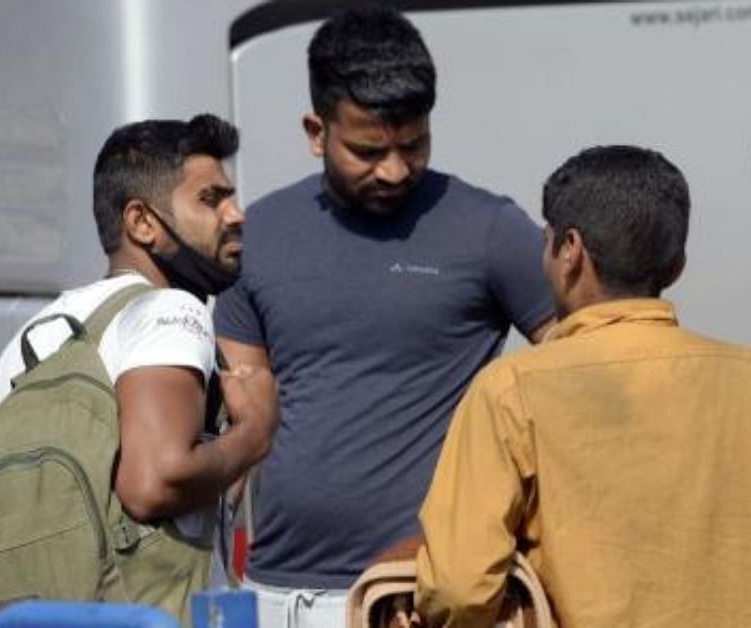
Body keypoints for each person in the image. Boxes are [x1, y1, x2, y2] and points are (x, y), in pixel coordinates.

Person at [213, 7, 554, 624]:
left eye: (413, 145)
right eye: (369, 151)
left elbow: (579, 370)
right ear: (316, 132)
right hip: (269, 592)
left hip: (414, 598)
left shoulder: (489, 230)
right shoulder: (256, 236)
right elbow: (239, 426)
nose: (395, 170)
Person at [416, 145, 751, 627]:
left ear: (570, 250)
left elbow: (458, 590)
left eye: (547, 243)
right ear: (676, 266)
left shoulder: (510, 391)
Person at [0, 114, 277, 612]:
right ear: (141, 221)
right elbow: (153, 483)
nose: (236, 214)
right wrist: (254, 433)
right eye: (210, 199)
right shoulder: (169, 309)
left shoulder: (31, 338)